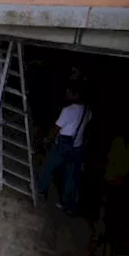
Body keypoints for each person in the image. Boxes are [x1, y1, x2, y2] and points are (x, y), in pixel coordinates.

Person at [37, 83, 92, 213]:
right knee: (71, 176)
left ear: (76, 95)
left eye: (69, 91)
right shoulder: (87, 110)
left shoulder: (68, 110)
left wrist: (47, 139)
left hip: (63, 143)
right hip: (77, 146)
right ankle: (67, 204)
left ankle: (40, 190)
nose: (66, 92)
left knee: (47, 167)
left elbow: (57, 128)